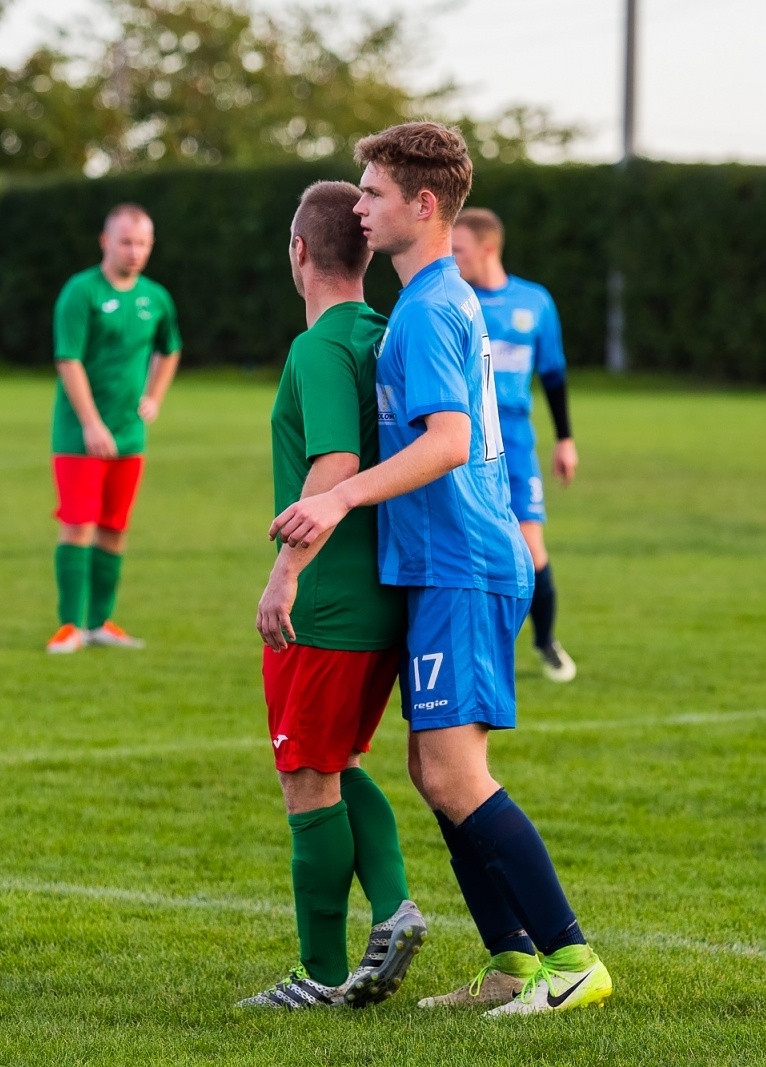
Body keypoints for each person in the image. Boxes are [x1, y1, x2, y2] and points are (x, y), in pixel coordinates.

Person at [270, 122, 612, 1018]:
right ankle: (510, 962)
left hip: (461, 560)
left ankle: (571, 957)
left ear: (424, 205)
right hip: (448, 563)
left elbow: (451, 443)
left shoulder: (425, 307)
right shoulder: (438, 295)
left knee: (457, 775)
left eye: (374, 191)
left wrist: (339, 500)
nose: (361, 206)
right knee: (431, 770)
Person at [239, 180, 426, 1010]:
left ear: (300, 252)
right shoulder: (384, 334)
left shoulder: (317, 348)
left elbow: (336, 466)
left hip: (327, 604)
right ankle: (395, 908)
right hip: (386, 595)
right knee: (339, 763)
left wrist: (286, 571)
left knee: (305, 777)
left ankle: (318, 974)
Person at [451, 208, 579, 683]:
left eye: (457, 249)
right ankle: (473, 650)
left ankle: (545, 641)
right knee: (465, 547)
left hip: (518, 445)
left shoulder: (535, 302)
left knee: (530, 548)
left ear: (488, 248)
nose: (450, 258)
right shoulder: (452, 301)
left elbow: (553, 374)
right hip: (464, 443)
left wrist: (565, 439)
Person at [46, 204, 181, 654]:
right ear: (106, 242)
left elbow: (170, 349)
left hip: (128, 435)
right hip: (79, 437)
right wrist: (90, 423)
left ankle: (100, 622)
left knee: (114, 528)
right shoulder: (80, 293)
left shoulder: (156, 297)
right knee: (79, 524)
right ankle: (69, 625)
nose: (134, 251)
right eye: (125, 241)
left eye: (142, 242)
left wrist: (154, 396)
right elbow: (69, 359)